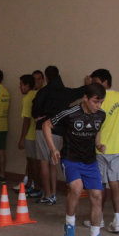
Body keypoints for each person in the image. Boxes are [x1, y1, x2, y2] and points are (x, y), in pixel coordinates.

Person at [43, 83, 108, 236]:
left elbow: (97, 130)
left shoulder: (101, 115)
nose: (98, 106)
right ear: (85, 98)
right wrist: (53, 149)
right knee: (77, 188)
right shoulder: (70, 113)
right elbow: (46, 125)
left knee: (97, 196)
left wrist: (99, 144)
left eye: (101, 102)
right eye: (95, 101)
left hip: (90, 161)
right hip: (71, 159)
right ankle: (69, 225)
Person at [82, 69, 119, 233]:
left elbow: (91, 118)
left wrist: (87, 88)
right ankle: (118, 221)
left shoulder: (99, 98)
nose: (94, 84)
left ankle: (99, 219)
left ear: (104, 81)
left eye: (96, 81)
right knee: (115, 183)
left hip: (101, 148)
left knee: (99, 185)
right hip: (118, 148)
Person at [32, 66, 84, 205]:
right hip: (59, 131)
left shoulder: (43, 92)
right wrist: (88, 83)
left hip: (43, 129)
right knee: (53, 163)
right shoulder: (65, 92)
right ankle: (54, 193)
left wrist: (39, 116)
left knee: (43, 162)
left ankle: (47, 194)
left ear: (46, 77)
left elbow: (35, 110)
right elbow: (80, 92)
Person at [17, 74, 42, 197]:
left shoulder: (27, 98)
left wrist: (22, 138)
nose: (20, 87)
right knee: (33, 163)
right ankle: (31, 185)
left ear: (27, 85)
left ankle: (37, 187)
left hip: (31, 135)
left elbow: (26, 121)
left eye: (21, 84)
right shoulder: (37, 94)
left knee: (33, 164)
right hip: (37, 134)